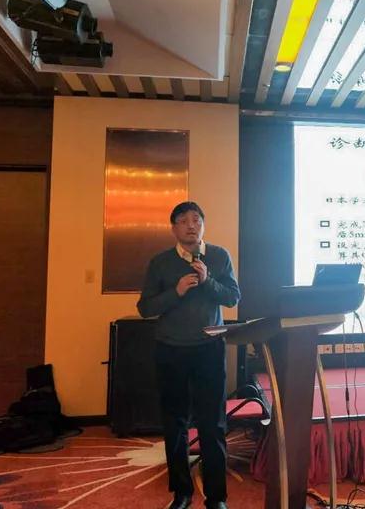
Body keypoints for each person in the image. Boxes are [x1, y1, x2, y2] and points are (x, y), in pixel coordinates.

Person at [137, 201, 240, 509]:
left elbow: (233, 298)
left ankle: (216, 497)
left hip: (209, 349)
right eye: (183, 221)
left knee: (213, 424)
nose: (191, 225)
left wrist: (208, 281)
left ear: (203, 225)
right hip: (171, 350)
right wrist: (176, 292)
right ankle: (181, 493)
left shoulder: (219, 256)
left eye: (196, 220)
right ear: (174, 229)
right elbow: (145, 308)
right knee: (175, 423)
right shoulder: (160, 262)